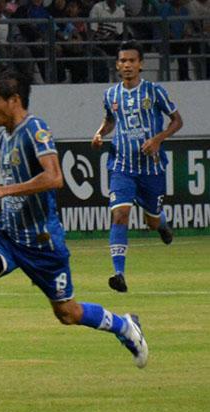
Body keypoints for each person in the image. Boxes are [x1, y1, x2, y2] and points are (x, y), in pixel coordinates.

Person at [0, 70, 148, 380]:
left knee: (67, 313)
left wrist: (3, 190)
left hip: (42, 242)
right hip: (6, 233)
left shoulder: (36, 129)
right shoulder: (4, 136)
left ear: (14, 100)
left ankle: (125, 326)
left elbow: (54, 177)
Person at [91, 41, 183, 293]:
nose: (127, 65)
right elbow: (110, 120)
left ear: (140, 64)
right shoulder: (111, 95)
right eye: (123, 61)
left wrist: (157, 139)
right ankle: (118, 273)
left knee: (151, 220)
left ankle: (161, 224)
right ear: (118, 65)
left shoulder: (154, 92)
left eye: (132, 61)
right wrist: (100, 133)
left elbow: (177, 121)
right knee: (120, 214)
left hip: (151, 169)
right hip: (122, 166)